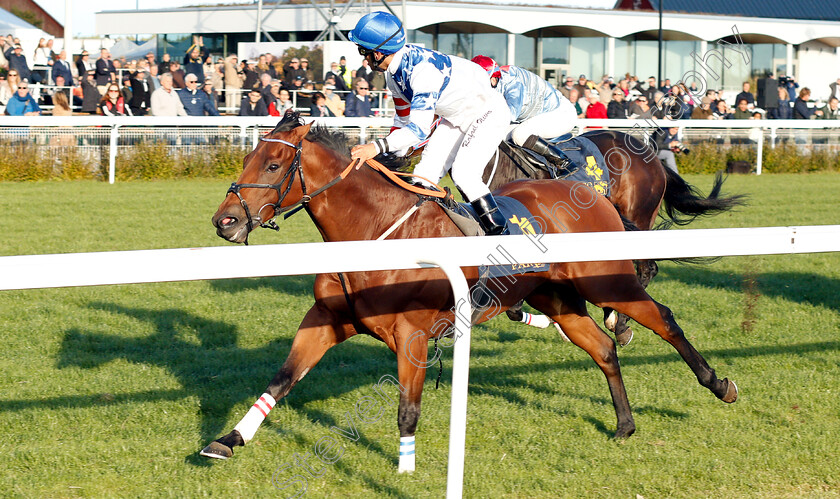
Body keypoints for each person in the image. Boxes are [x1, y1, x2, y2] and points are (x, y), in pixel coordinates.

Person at [349, 12, 511, 235]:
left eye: (364, 52)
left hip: (488, 111)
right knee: (422, 176)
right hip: (456, 116)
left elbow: (418, 130)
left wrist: (374, 148)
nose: (363, 60)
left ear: (378, 53)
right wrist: (389, 158)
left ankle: (503, 237)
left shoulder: (422, 73)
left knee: (464, 174)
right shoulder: (393, 74)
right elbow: (402, 120)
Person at [472, 55, 577, 168]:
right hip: (536, 115)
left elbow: (509, 116)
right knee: (499, 136)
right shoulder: (495, 81)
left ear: (492, 78)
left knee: (520, 135)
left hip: (560, 114)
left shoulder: (513, 84)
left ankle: (564, 162)